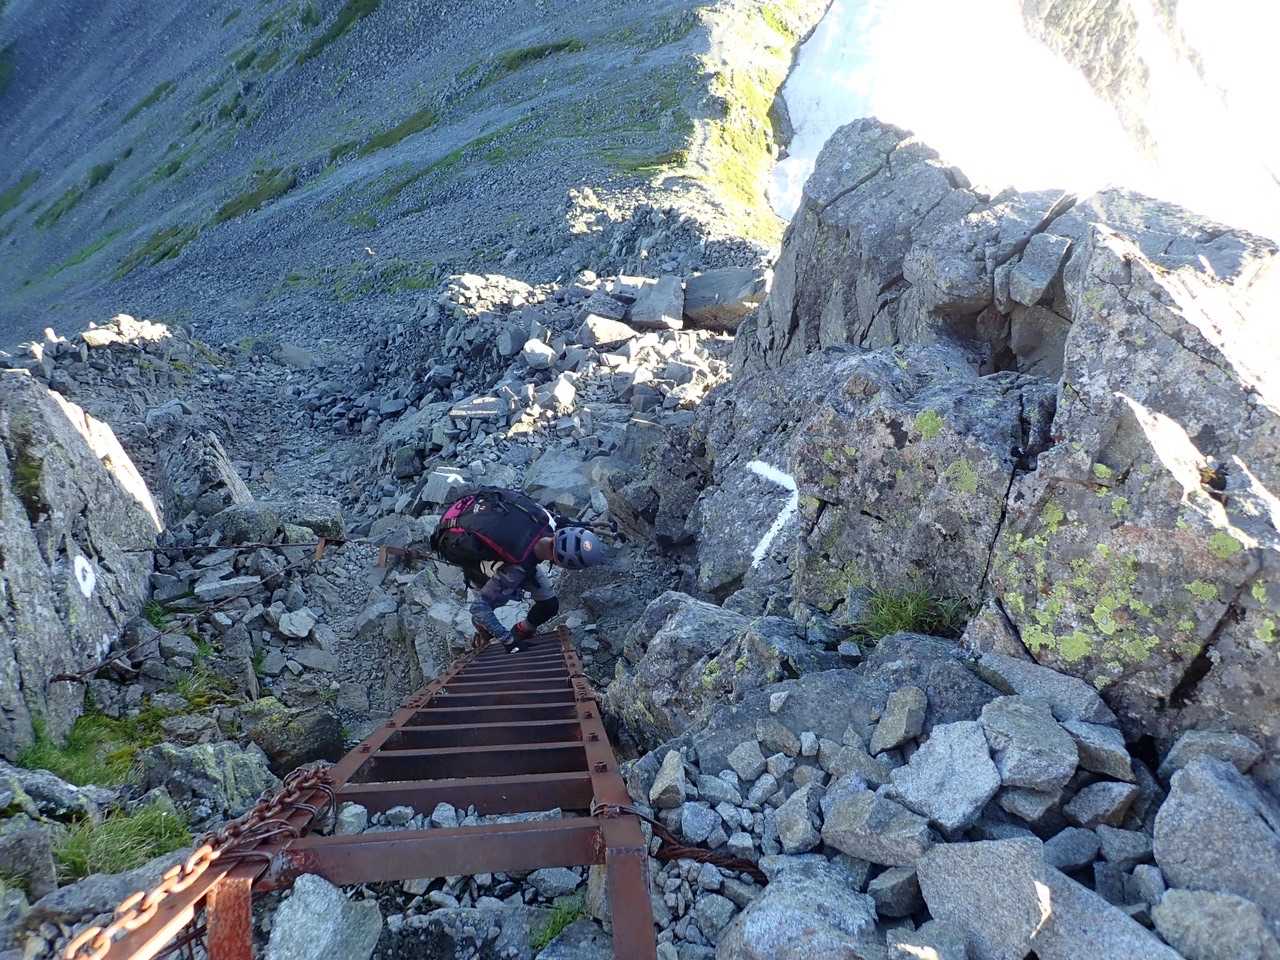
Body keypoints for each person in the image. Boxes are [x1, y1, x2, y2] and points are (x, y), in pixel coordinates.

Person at [430, 488, 607, 653]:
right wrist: (509, 642)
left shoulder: (545, 520)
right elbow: (479, 608)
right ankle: (484, 629)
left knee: (549, 605)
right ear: (562, 564)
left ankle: (523, 630)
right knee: (500, 599)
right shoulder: (514, 571)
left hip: (474, 516)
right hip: (478, 556)